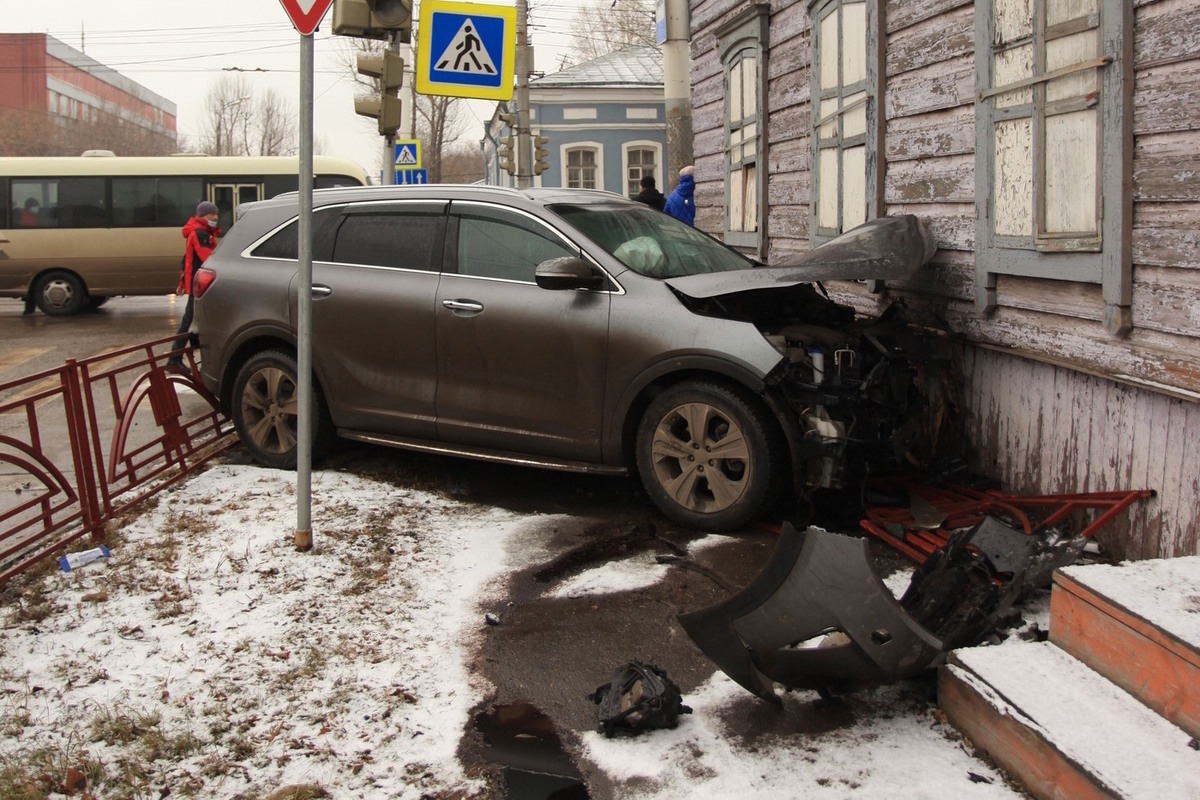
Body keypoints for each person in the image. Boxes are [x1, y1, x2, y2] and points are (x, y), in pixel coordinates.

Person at [169, 201, 221, 369]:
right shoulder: (200, 233)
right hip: (200, 284)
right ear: (202, 215)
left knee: (194, 319)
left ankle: (187, 355)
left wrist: (182, 283)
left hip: (197, 283)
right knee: (190, 320)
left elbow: (187, 260)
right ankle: (175, 359)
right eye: (211, 214)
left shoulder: (202, 232)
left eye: (216, 214)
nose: (215, 217)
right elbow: (207, 258)